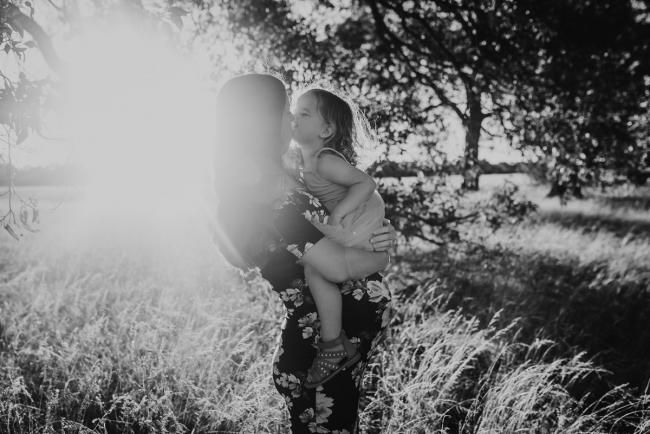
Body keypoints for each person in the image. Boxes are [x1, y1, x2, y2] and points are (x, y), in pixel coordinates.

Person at [212, 73, 396, 433]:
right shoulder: (276, 198)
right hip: (318, 356)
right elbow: (339, 267)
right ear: (262, 123)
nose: (292, 121)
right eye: (285, 112)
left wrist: (377, 235)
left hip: (325, 352)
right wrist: (381, 257)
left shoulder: (289, 181)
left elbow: (341, 235)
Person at [291, 87, 387, 389]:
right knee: (316, 269)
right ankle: (333, 344)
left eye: (304, 114)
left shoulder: (324, 159)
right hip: (356, 229)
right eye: (293, 112)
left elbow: (366, 183)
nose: (294, 118)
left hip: (360, 221)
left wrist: (339, 214)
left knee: (318, 269)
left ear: (327, 130)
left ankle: (333, 345)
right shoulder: (303, 163)